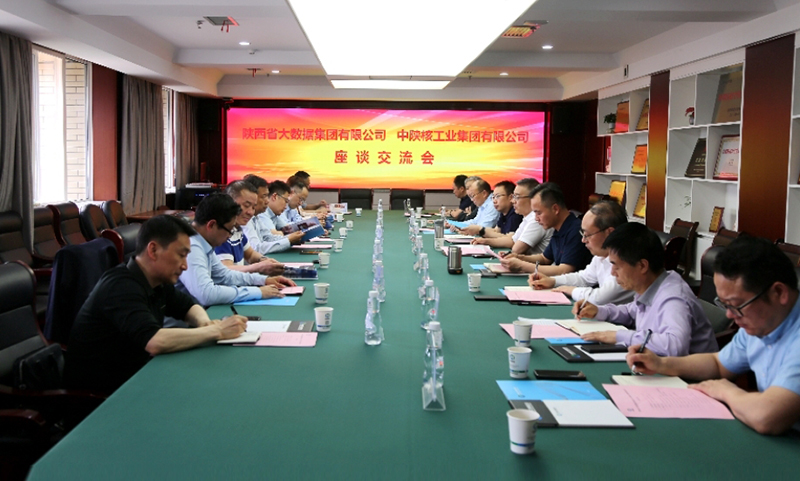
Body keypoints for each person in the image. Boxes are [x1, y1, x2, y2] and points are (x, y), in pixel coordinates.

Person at [628, 236, 800, 434]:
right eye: (725, 305)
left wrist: (726, 391)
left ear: (779, 293)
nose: (730, 315)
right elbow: (718, 364)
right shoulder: (762, 322)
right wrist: (661, 364)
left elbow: (766, 417)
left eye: (736, 305)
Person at [64, 215, 248, 393]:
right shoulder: (120, 287)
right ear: (153, 250)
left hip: (136, 377)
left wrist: (204, 323)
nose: (185, 265)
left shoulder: (156, 280)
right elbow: (155, 341)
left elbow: (188, 306)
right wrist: (217, 331)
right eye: (181, 255)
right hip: (101, 396)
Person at [573, 222, 718, 356]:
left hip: (684, 374)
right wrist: (600, 311)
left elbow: (675, 345)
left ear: (642, 266)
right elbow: (631, 312)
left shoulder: (673, 298)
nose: (612, 272)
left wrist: (619, 336)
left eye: (616, 265)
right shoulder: (653, 285)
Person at [177, 193, 293, 306]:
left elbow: (225, 275)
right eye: (229, 230)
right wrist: (258, 292)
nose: (230, 235)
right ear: (211, 225)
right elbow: (207, 294)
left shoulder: (203, 242)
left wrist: (263, 280)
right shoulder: (191, 246)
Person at [531, 200, 633, 306]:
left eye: (587, 235)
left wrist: (571, 290)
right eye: (582, 234)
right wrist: (552, 281)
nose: (583, 240)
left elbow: (600, 298)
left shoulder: (629, 260)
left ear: (609, 233)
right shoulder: (601, 256)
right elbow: (583, 278)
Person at [500, 182, 592, 275]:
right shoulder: (558, 227)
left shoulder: (576, 230)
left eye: (539, 213)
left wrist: (522, 265)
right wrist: (519, 257)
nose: (536, 218)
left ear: (555, 209)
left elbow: (564, 270)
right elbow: (544, 258)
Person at [215, 180, 284, 275]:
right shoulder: (221, 233)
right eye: (246, 206)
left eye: (253, 207)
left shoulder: (237, 229)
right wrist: (258, 267)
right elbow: (226, 270)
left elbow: (250, 255)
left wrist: (265, 260)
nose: (250, 212)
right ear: (229, 202)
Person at [469, 178, 551, 255]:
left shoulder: (536, 219)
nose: (513, 201)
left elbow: (516, 249)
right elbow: (512, 240)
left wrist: (482, 233)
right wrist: (485, 241)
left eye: (517, 197)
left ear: (532, 198)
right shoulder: (527, 217)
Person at [244, 180, 304, 254]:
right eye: (264, 196)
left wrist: (291, 239)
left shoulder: (256, 217)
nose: (267, 201)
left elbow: (268, 237)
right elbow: (256, 248)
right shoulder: (246, 218)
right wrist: (288, 240)